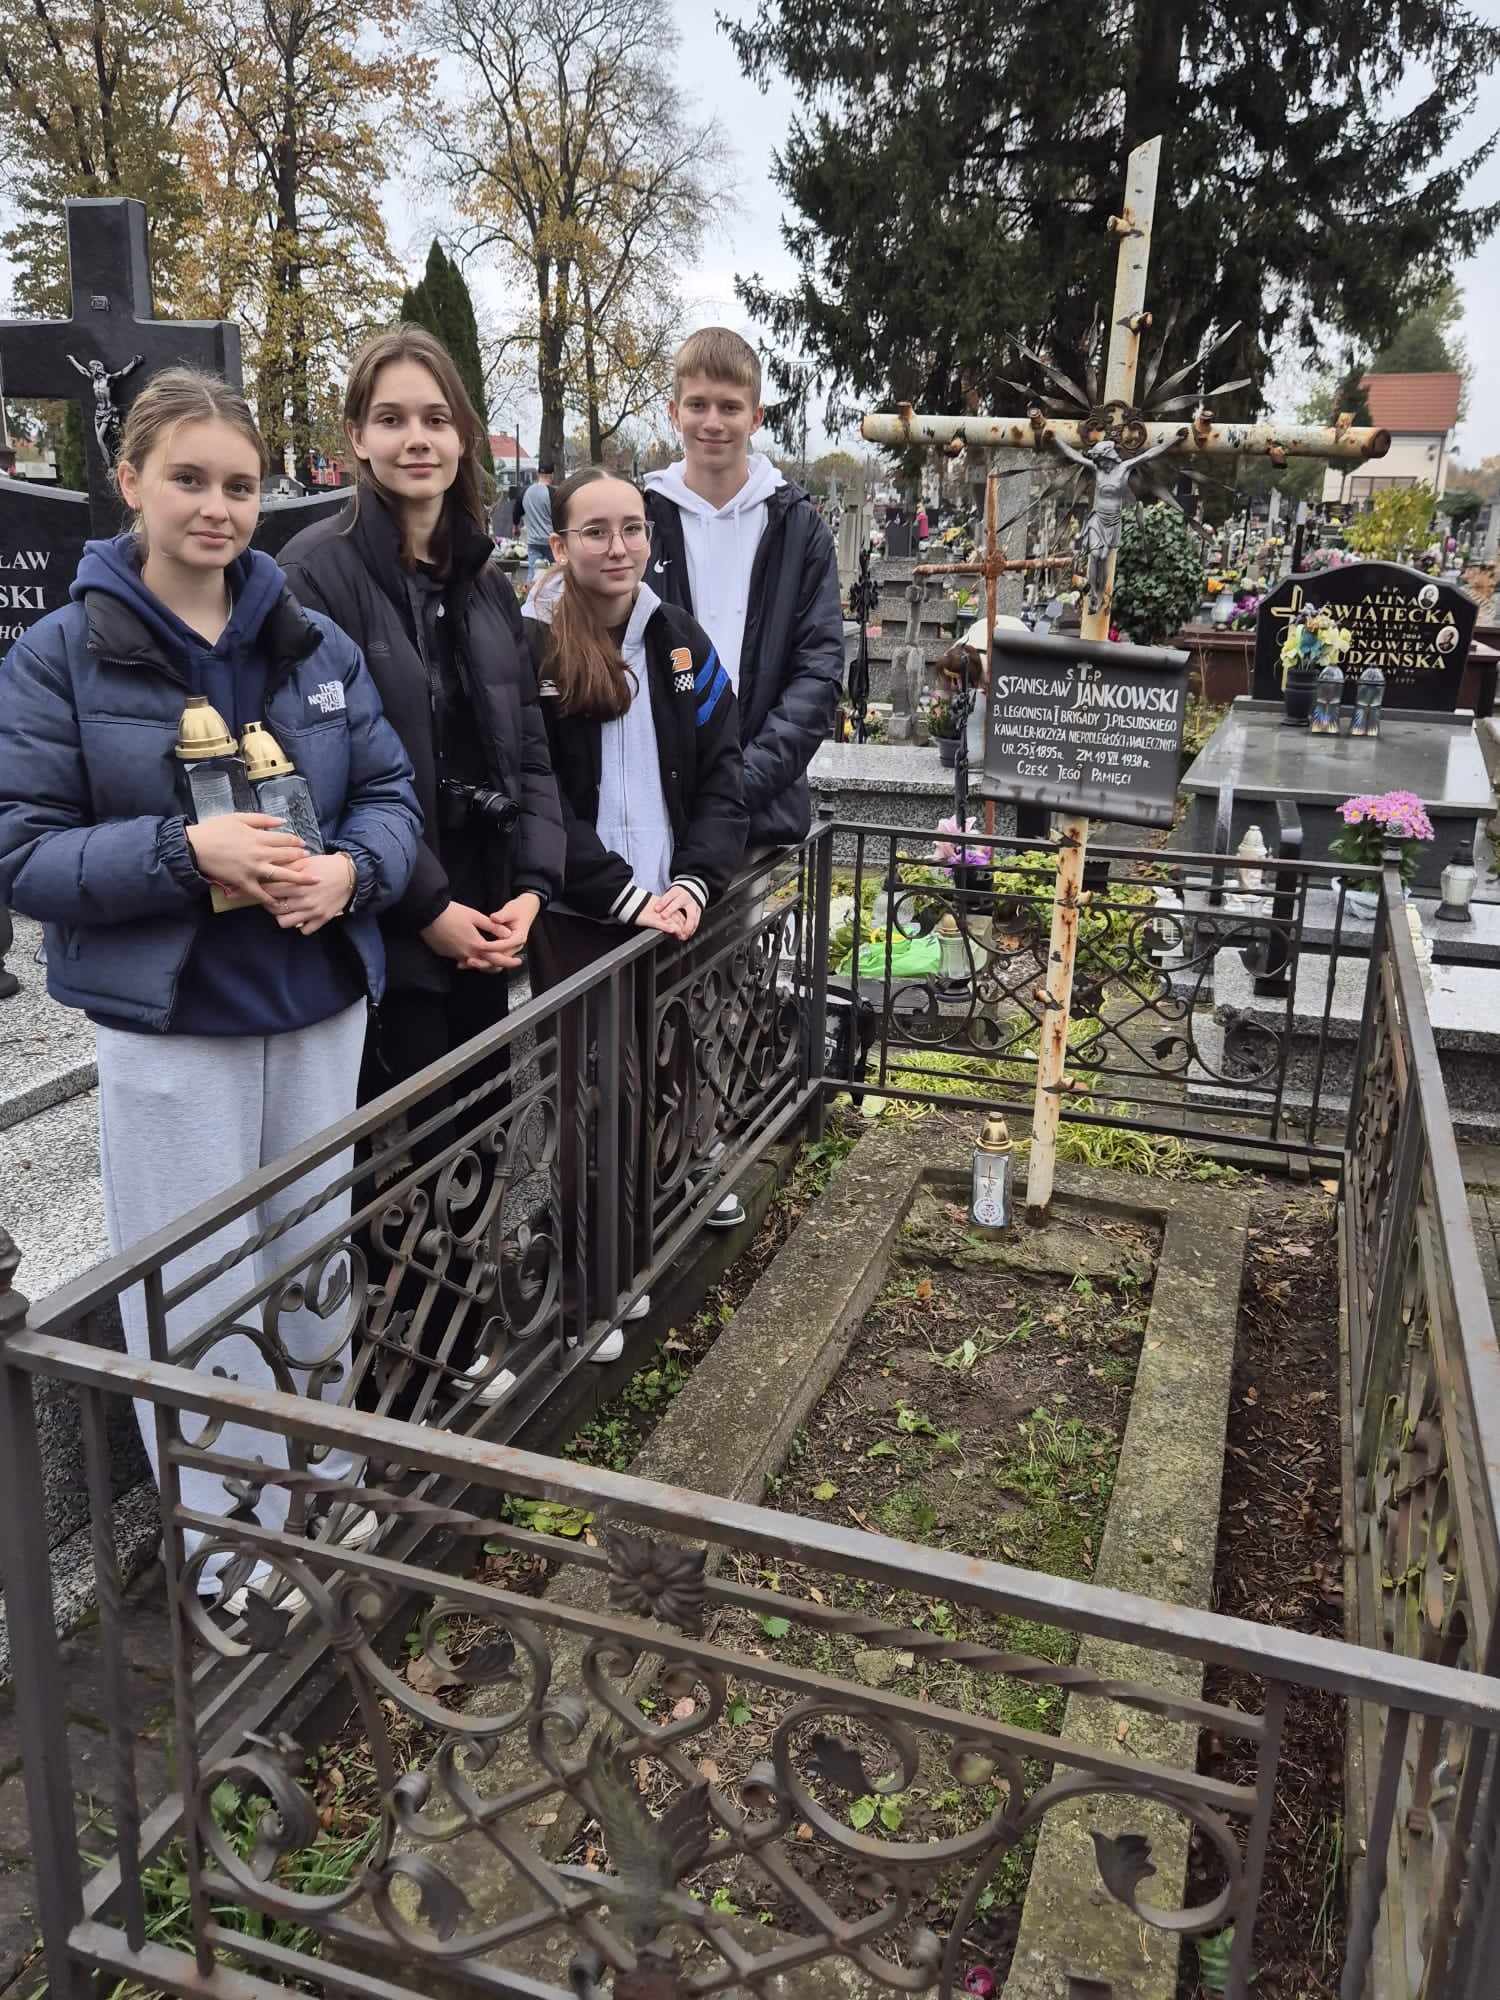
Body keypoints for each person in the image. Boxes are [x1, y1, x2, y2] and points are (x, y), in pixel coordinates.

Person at [0, 368, 422, 1614]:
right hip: (177, 1026)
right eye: (188, 478)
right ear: (130, 481)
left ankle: (327, 1492)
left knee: (312, 1264)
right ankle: (235, 1551)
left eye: (239, 484)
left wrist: (350, 872)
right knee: (200, 1288)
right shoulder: (59, 656)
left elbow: (388, 794)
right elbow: (23, 853)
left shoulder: (309, 639)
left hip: (316, 1005)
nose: (217, 507)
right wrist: (189, 853)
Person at [279, 326, 564, 1412]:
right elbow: (320, 776)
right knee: (383, 1164)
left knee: (476, 1134)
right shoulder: (314, 576)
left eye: (436, 419)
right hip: (384, 927)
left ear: (464, 437)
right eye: (392, 418)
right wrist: (428, 906)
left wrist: (531, 888)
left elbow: (529, 755)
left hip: (489, 911)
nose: (417, 439)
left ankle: (454, 1346)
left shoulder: (485, 584)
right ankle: (385, 1379)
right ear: (356, 434)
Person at [524, 467, 747, 1360]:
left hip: (673, 907)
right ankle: (595, 1289)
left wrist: (692, 884)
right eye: (595, 531)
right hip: (584, 915)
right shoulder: (533, 646)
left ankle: (661, 1215)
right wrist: (617, 893)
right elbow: (536, 795)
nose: (618, 548)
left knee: (670, 1067)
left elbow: (723, 775)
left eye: (633, 529)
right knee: (593, 1101)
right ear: (560, 545)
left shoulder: (678, 640)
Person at [643, 327, 841, 1226]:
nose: (712, 422)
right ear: (674, 410)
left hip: (748, 805)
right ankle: (650, 1164)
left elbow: (817, 670)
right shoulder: (642, 517)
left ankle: (705, 1149)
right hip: (648, 796)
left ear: (757, 416)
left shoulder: (794, 524)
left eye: (730, 406)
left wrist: (737, 786)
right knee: (645, 988)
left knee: (719, 979)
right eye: (698, 405)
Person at [523, 462, 556, 580]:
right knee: (555, 574)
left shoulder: (526, 491)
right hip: (551, 541)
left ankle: (530, 591)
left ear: (538, 474)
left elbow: (517, 511)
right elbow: (559, 515)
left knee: (533, 574)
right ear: (552, 475)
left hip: (533, 541)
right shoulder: (553, 493)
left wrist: (515, 526)